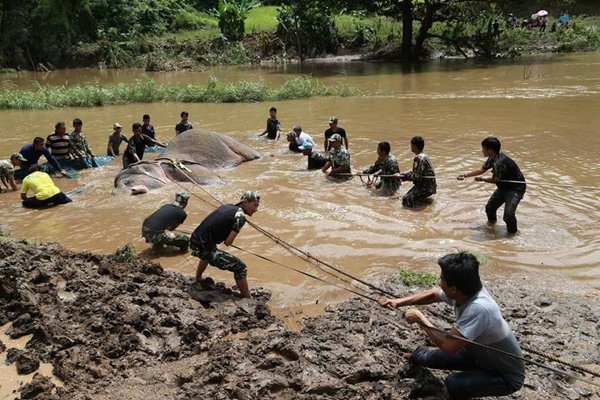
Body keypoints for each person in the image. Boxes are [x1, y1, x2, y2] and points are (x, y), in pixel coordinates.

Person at [379, 252, 525, 400]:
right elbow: (434, 295)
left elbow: (448, 346)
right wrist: (398, 301)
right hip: (477, 354)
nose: (439, 281)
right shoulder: (466, 292)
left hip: (504, 375)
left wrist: (420, 319)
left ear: (454, 289)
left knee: (453, 384)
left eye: (441, 279)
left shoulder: (479, 308)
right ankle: (415, 357)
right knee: (425, 356)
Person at [190, 191, 260, 299]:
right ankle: (247, 297)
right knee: (240, 267)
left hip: (194, 242)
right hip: (202, 248)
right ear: (245, 202)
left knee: (210, 249)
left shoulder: (227, 206)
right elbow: (228, 242)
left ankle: (198, 278)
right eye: (255, 205)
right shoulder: (240, 217)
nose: (256, 209)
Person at [457, 137, 526, 234]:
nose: (482, 150)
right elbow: (482, 169)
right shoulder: (493, 158)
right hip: (503, 186)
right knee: (490, 208)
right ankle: (491, 227)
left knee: (508, 215)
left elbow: (495, 180)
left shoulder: (500, 162)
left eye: (483, 148)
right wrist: (465, 175)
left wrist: (482, 179)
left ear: (489, 150)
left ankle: (512, 236)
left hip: (515, 188)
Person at [400, 136, 437, 208]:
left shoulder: (419, 158)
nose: (410, 146)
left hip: (425, 187)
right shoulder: (424, 155)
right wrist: (402, 175)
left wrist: (402, 177)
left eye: (411, 145)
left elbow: (416, 176)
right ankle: (424, 202)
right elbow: (416, 173)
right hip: (430, 186)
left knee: (406, 200)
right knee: (408, 198)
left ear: (415, 146)